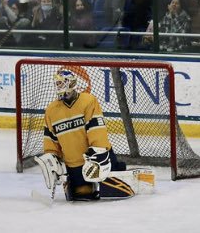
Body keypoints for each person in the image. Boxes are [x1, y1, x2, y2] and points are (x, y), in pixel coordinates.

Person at [32, 69, 143, 201]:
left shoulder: (88, 101)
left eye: (62, 83)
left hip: (97, 159)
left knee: (118, 191)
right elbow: (51, 141)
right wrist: (53, 161)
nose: (59, 87)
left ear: (72, 83)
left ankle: (119, 172)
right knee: (82, 196)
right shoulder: (51, 111)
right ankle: (78, 183)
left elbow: (97, 131)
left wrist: (97, 154)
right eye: (58, 84)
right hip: (74, 167)